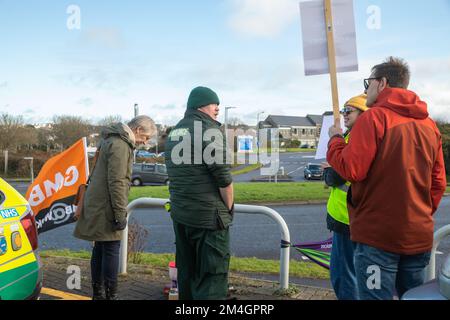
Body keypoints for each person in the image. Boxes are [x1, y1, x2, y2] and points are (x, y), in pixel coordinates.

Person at [327, 57, 447, 300]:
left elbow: (351, 170)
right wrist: (419, 214)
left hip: (377, 239)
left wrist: (335, 140)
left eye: (367, 83)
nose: (365, 89)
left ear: (382, 83)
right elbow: (438, 183)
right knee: (412, 296)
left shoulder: (374, 118)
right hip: (418, 235)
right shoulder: (429, 125)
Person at [74, 115, 156, 300]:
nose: (145, 142)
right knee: (111, 248)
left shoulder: (109, 139)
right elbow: (117, 182)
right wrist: (120, 214)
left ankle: (98, 294)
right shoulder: (121, 144)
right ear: (138, 130)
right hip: (107, 205)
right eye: (147, 137)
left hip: (98, 201)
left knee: (100, 248)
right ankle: (111, 296)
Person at [165, 86, 234, 300]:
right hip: (208, 220)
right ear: (202, 105)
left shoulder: (175, 132)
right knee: (212, 276)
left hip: (182, 216)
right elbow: (223, 179)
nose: (218, 110)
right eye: (215, 105)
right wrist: (229, 209)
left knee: (187, 273)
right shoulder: (209, 130)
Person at [322, 94, 368, 300]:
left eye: (349, 110)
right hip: (357, 218)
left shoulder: (354, 138)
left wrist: (335, 139)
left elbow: (336, 175)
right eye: (343, 110)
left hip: (347, 218)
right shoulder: (367, 136)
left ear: (364, 114)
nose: (344, 114)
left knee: (344, 276)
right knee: (362, 275)